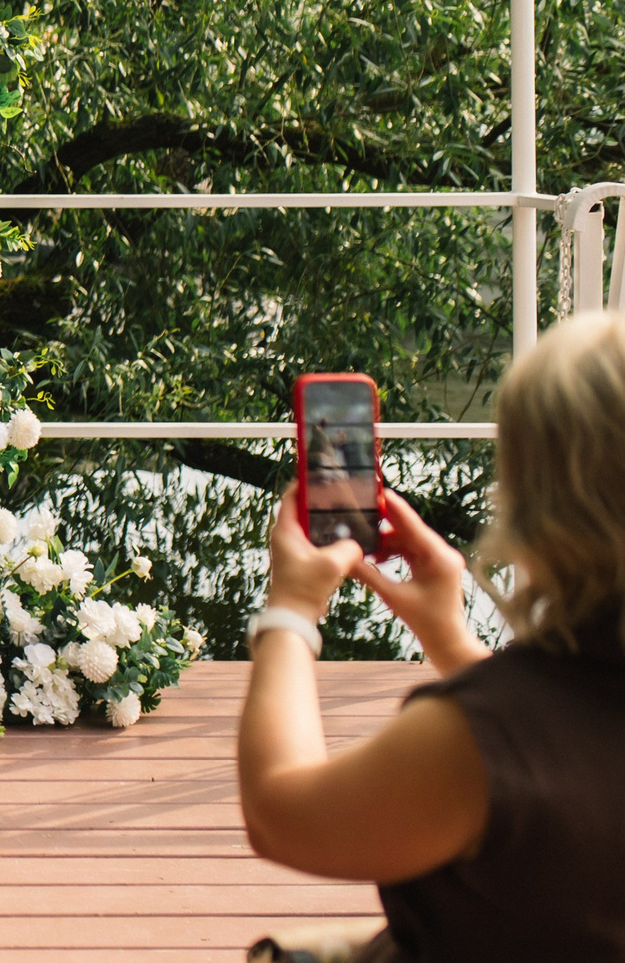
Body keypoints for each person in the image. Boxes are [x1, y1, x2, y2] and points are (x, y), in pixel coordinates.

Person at [238, 308, 625, 962]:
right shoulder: (525, 730)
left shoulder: (471, 741)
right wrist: (448, 637)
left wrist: (291, 611)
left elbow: (281, 813)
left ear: (535, 499)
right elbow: (564, 747)